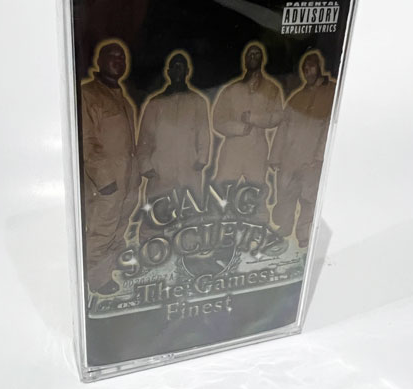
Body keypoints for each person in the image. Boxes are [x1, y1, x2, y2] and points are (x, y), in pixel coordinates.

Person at [81, 40, 140, 295]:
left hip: (128, 179)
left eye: (122, 57)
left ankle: (112, 264)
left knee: (120, 225)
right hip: (106, 182)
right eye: (113, 56)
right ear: (99, 61)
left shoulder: (121, 97)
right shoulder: (89, 94)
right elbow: (87, 141)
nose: (119, 61)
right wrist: (104, 179)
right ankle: (97, 278)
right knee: (102, 229)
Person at [269, 51, 336, 247]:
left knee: (309, 198)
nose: (308, 71)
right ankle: (285, 227)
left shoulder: (331, 92)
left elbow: (330, 125)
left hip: (312, 158)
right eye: (305, 68)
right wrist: (275, 157)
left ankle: (304, 235)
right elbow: (283, 128)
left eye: (311, 66)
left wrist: (320, 156)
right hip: (290, 158)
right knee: (286, 193)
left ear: (320, 67)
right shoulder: (296, 97)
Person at [212, 42, 283, 221]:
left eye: (257, 54)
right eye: (250, 54)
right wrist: (238, 128)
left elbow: (277, 116)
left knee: (257, 189)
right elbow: (217, 120)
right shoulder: (231, 90)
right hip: (232, 148)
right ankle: (218, 227)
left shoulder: (272, 89)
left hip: (257, 149)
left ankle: (259, 228)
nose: (253, 57)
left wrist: (254, 118)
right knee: (222, 189)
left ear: (262, 59)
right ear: (244, 60)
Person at [137, 51, 210, 200]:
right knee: (158, 209)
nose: (178, 70)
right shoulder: (155, 103)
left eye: (181, 67)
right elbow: (145, 137)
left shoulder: (198, 101)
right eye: (174, 67)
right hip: (161, 171)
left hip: (188, 168)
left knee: (189, 208)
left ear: (187, 71)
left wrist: (201, 160)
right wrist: (146, 166)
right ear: (168, 72)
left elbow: (204, 133)